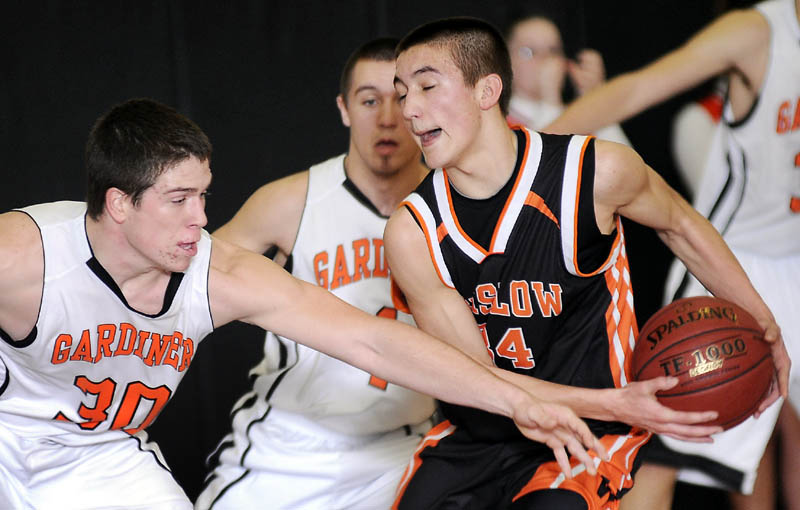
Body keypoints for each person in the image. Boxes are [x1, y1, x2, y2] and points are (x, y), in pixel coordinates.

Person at [0, 97, 612, 510]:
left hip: (97, 456)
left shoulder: (218, 275)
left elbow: (372, 340)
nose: (202, 220)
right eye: (179, 200)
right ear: (119, 203)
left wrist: (516, 400)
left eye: (204, 196)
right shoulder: (27, 258)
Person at [384, 16, 790, 510]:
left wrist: (764, 323)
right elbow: (479, 379)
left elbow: (681, 226)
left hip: (589, 435)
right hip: (482, 431)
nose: (408, 109)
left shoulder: (593, 172)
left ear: (487, 90)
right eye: (402, 92)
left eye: (427, 86)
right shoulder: (412, 231)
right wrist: (614, 401)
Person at [546, 1, 800, 508]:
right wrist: (534, 159)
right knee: (671, 443)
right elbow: (636, 89)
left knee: (780, 435)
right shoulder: (759, 32)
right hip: (733, 265)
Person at [195, 38, 435, 510]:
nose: (386, 117)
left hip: (403, 447)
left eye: (399, 98)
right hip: (288, 445)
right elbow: (190, 288)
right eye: (369, 100)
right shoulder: (291, 201)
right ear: (345, 109)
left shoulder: (453, 205)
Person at [505, 13, 631, 146]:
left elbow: (629, 162)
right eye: (529, 51)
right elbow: (544, 161)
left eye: (554, 51)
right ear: (506, 61)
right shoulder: (500, 121)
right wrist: (550, 98)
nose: (545, 59)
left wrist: (595, 97)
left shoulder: (575, 113)